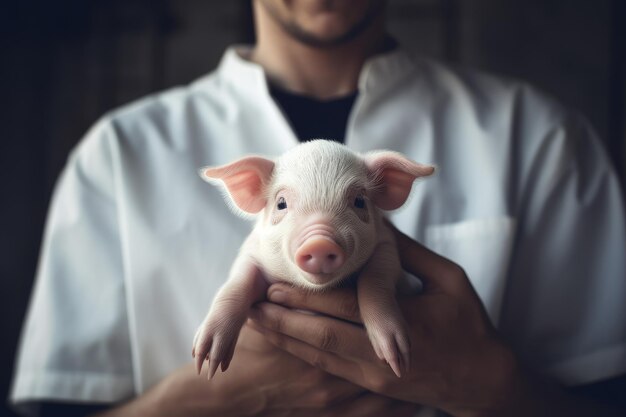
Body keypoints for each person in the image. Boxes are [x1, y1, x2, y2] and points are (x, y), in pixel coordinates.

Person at [10, 1, 626, 416]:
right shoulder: (117, 155)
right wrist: (212, 401)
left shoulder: (539, 137)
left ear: (388, 186)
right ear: (248, 189)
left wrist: (494, 386)